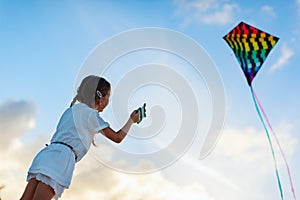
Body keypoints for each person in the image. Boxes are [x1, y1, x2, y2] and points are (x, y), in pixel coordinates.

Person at [20, 75, 141, 200]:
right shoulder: (90, 115)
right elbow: (117, 137)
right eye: (108, 97)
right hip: (61, 158)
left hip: (46, 154)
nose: (108, 100)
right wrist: (131, 121)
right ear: (100, 98)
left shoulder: (70, 110)